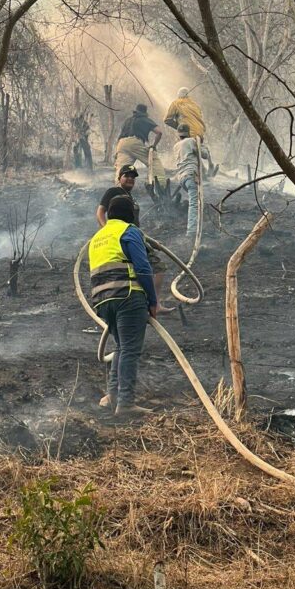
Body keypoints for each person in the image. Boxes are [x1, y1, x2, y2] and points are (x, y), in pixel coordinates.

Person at [88, 194, 157, 417]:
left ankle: (114, 397)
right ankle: (126, 402)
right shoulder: (129, 231)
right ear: (130, 214)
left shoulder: (98, 236)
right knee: (129, 349)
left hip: (102, 301)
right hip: (128, 296)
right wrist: (153, 300)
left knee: (120, 347)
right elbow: (143, 268)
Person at [96, 165, 173, 312]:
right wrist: (107, 230)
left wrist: (150, 242)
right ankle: (151, 304)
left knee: (154, 267)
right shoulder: (113, 191)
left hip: (133, 236)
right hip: (122, 238)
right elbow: (100, 212)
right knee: (153, 267)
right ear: (119, 178)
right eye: (126, 176)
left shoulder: (130, 198)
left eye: (133, 177)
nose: (130, 179)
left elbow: (134, 226)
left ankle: (150, 303)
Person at [164, 88, 216, 175]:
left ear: (178, 95)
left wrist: (179, 127)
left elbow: (167, 120)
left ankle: (198, 171)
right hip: (200, 131)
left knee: (188, 151)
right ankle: (209, 165)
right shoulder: (195, 104)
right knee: (198, 148)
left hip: (188, 132)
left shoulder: (176, 103)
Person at [114, 103, 167, 187]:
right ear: (145, 113)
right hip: (134, 142)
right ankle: (161, 185)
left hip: (121, 144)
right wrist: (154, 145)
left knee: (122, 169)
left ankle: (119, 188)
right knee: (154, 160)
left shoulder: (128, 120)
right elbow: (159, 132)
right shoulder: (145, 119)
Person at [174, 124, 208, 238]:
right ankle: (192, 231)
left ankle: (196, 226)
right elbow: (205, 155)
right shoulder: (191, 141)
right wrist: (201, 143)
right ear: (188, 133)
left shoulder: (176, 145)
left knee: (195, 201)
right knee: (194, 203)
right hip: (191, 175)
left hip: (181, 178)